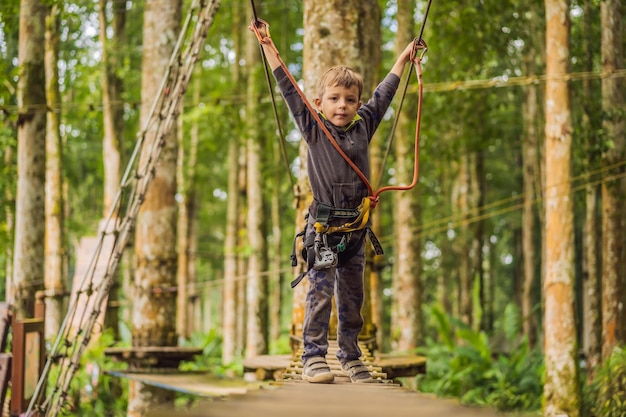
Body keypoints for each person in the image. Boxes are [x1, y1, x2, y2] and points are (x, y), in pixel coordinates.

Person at [249, 19, 421, 384]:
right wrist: (268, 45)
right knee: (320, 295)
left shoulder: (364, 127)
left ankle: (350, 356)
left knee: (352, 298)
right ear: (319, 103)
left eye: (349, 100)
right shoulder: (313, 129)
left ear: (358, 104)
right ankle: (313, 356)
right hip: (324, 231)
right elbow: (288, 90)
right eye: (334, 99)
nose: (342, 106)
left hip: (356, 232)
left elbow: (385, 95)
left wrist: (403, 59)